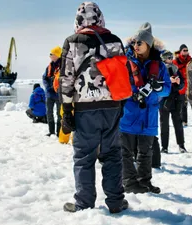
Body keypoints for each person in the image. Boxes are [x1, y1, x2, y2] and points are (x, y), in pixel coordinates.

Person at [59, 2, 128, 214]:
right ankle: (116, 201)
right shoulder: (115, 40)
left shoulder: (72, 42)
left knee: (84, 156)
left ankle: (84, 202)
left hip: (83, 107)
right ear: (100, 18)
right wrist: (120, 104)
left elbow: (66, 79)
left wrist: (67, 111)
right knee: (112, 154)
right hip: (111, 106)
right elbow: (123, 74)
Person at [120, 22, 171, 194]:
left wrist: (158, 88)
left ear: (148, 44)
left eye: (139, 42)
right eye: (134, 42)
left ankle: (144, 182)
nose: (135, 46)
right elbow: (120, 85)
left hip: (149, 114)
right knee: (125, 151)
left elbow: (168, 89)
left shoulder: (160, 66)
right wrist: (132, 93)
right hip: (129, 113)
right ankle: (129, 182)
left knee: (146, 152)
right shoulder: (126, 63)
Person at [159, 50, 186, 153]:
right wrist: (168, 81)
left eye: (171, 57)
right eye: (168, 58)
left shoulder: (175, 68)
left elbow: (182, 84)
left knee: (178, 123)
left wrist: (179, 83)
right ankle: (164, 147)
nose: (170, 59)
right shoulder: (160, 69)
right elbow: (157, 83)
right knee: (164, 124)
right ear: (163, 59)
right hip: (164, 100)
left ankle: (181, 145)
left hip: (175, 99)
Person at [173, 44, 192, 128]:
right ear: (180, 51)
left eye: (186, 50)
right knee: (183, 105)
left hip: (191, 86)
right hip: (181, 87)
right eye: (184, 50)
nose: (186, 52)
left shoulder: (191, 60)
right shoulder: (175, 61)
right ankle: (184, 121)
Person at [42, 46, 62, 137]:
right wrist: (47, 88)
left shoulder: (63, 66)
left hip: (59, 94)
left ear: (57, 55)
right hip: (50, 94)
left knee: (59, 114)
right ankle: (51, 131)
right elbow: (44, 78)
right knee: (49, 113)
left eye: (52, 54)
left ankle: (59, 132)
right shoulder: (49, 67)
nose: (50, 56)